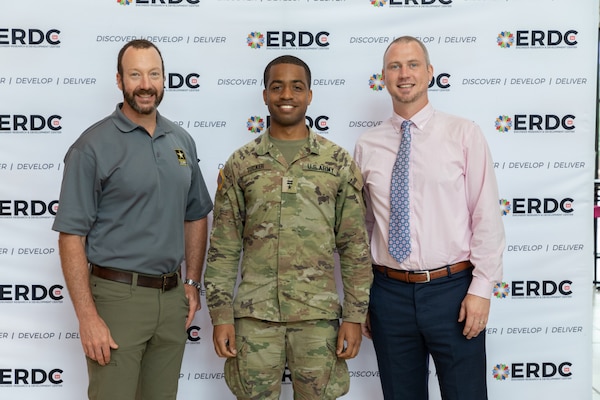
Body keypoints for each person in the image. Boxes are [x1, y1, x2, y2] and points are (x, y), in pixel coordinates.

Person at [204, 55, 373, 400]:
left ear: (309, 96)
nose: (287, 95)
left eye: (297, 87)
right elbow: (223, 248)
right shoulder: (241, 163)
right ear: (264, 95)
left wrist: (354, 316)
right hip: (254, 320)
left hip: (317, 320)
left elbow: (355, 246)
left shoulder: (337, 162)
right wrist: (221, 316)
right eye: (276, 86)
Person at [52, 39, 213, 400]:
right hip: (116, 300)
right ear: (119, 80)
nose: (145, 84)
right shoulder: (91, 146)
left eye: (153, 74)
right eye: (135, 74)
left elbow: (196, 213)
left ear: (164, 79)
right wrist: (87, 317)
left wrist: (191, 282)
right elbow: (71, 237)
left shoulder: (181, 140)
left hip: (172, 301)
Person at [353, 36, 505, 400]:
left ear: (430, 73)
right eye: (395, 66)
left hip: (452, 292)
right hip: (387, 294)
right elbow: (362, 228)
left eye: (413, 65)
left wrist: (482, 289)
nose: (404, 74)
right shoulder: (366, 145)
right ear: (384, 77)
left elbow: (485, 214)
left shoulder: (463, 134)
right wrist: (362, 298)